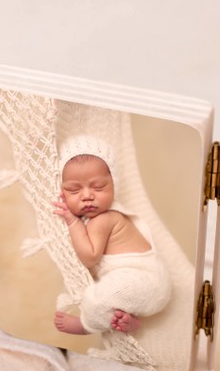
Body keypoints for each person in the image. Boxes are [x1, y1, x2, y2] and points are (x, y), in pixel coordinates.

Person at [51, 135, 170, 335]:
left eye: (98, 187)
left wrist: (72, 221)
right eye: (73, 190)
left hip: (145, 280)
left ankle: (86, 325)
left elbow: (89, 257)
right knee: (108, 291)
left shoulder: (104, 219)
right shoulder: (96, 218)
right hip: (142, 287)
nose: (87, 195)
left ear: (114, 185)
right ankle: (131, 322)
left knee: (97, 296)